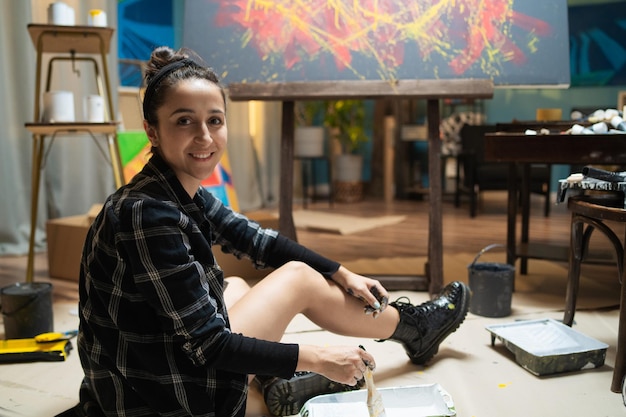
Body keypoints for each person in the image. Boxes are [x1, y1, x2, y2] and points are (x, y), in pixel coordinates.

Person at [76, 45, 470, 417]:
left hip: (143, 374)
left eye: (214, 120)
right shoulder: (150, 215)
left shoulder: (170, 188)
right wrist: (315, 355)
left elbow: (254, 240)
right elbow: (209, 344)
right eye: (184, 121)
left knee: (237, 287)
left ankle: (270, 385)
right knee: (296, 279)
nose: (205, 137)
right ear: (152, 131)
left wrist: (340, 272)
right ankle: (415, 330)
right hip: (161, 398)